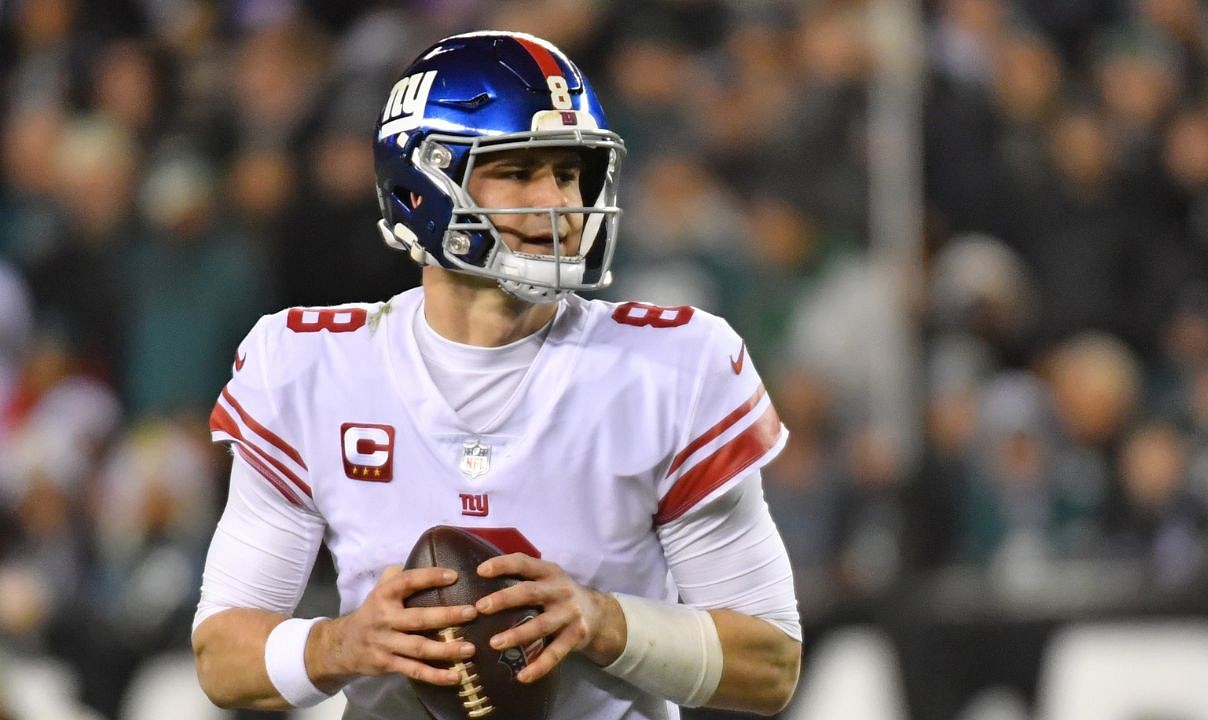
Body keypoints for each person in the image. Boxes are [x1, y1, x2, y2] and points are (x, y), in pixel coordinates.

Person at [191, 31, 802, 719]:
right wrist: (343, 645)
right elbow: (222, 655)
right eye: (517, 172)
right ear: (423, 186)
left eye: (569, 173)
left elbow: (771, 663)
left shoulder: (670, 367)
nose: (560, 203)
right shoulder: (307, 366)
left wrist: (604, 622)